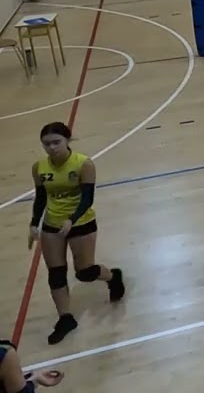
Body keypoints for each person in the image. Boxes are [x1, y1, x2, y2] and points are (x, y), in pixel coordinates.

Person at [28, 122, 126, 345]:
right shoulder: (39, 168)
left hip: (81, 222)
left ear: (67, 141)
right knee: (56, 273)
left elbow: (87, 198)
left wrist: (71, 220)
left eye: (56, 142)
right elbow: (41, 197)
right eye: (47, 144)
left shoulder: (84, 164)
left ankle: (113, 277)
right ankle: (65, 318)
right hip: (53, 224)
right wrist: (34, 223)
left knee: (84, 273)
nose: (52, 148)